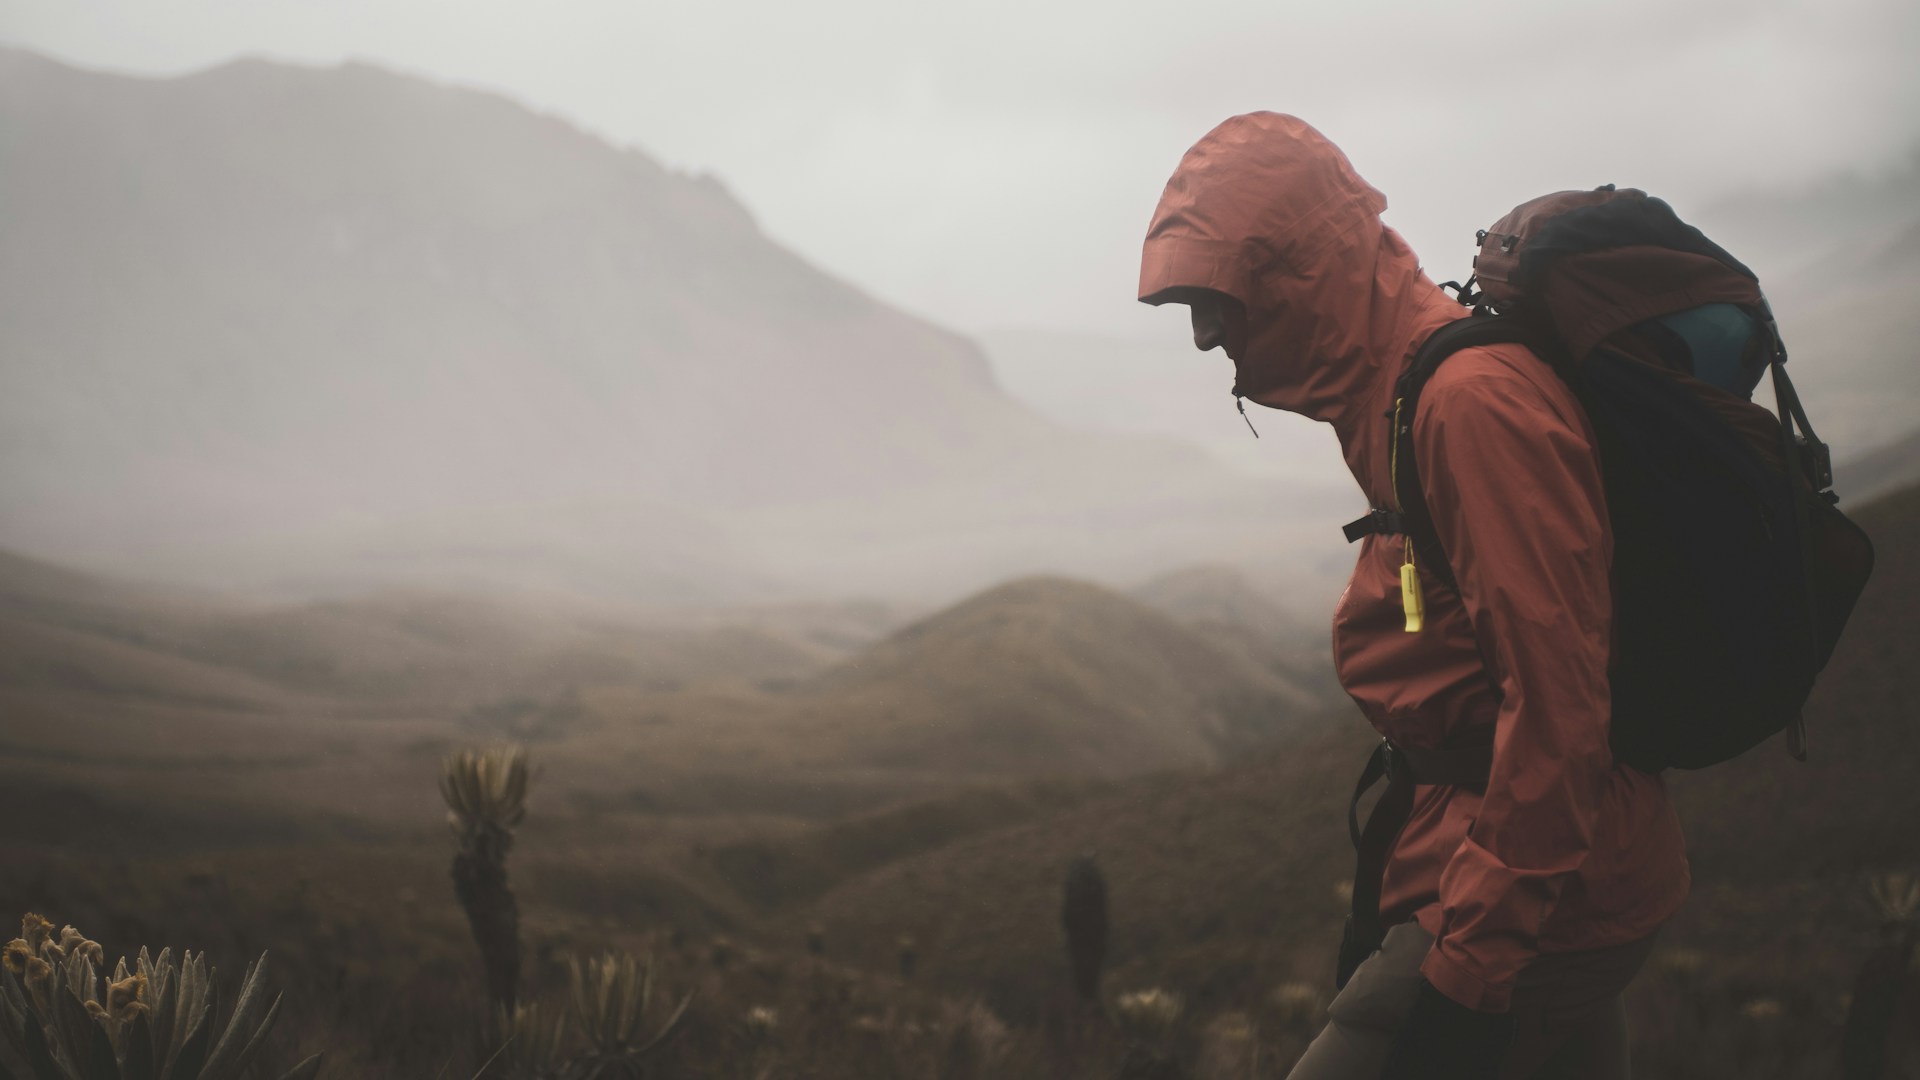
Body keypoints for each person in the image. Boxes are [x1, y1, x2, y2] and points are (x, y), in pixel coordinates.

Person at [1138, 113, 1688, 1080]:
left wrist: (1470, 971)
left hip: (1534, 899)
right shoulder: (1396, 400)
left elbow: (1559, 707)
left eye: (1221, 295)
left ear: (1304, 273)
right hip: (1526, 875)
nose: (1203, 334)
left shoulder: (1467, 405)